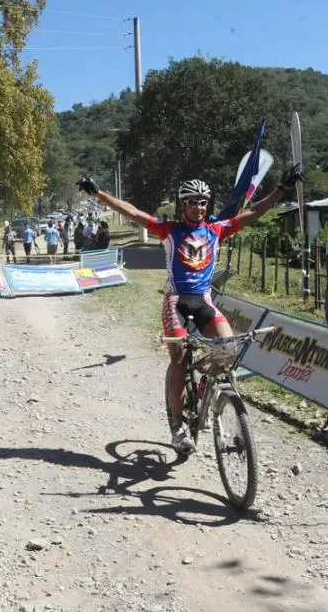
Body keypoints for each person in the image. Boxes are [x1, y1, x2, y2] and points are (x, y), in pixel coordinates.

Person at [77, 165, 302, 454]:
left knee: (228, 348)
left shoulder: (216, 230)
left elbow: (255, 212)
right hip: (176, 300)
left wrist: (281, 189)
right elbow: (133, 212)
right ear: (182, 204)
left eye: (203, 202)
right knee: (179, 357)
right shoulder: (169, 230)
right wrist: (98, 193)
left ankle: (202, 391)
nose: (198, 206)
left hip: (204, 300)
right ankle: (178, 426)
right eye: (192, 201)